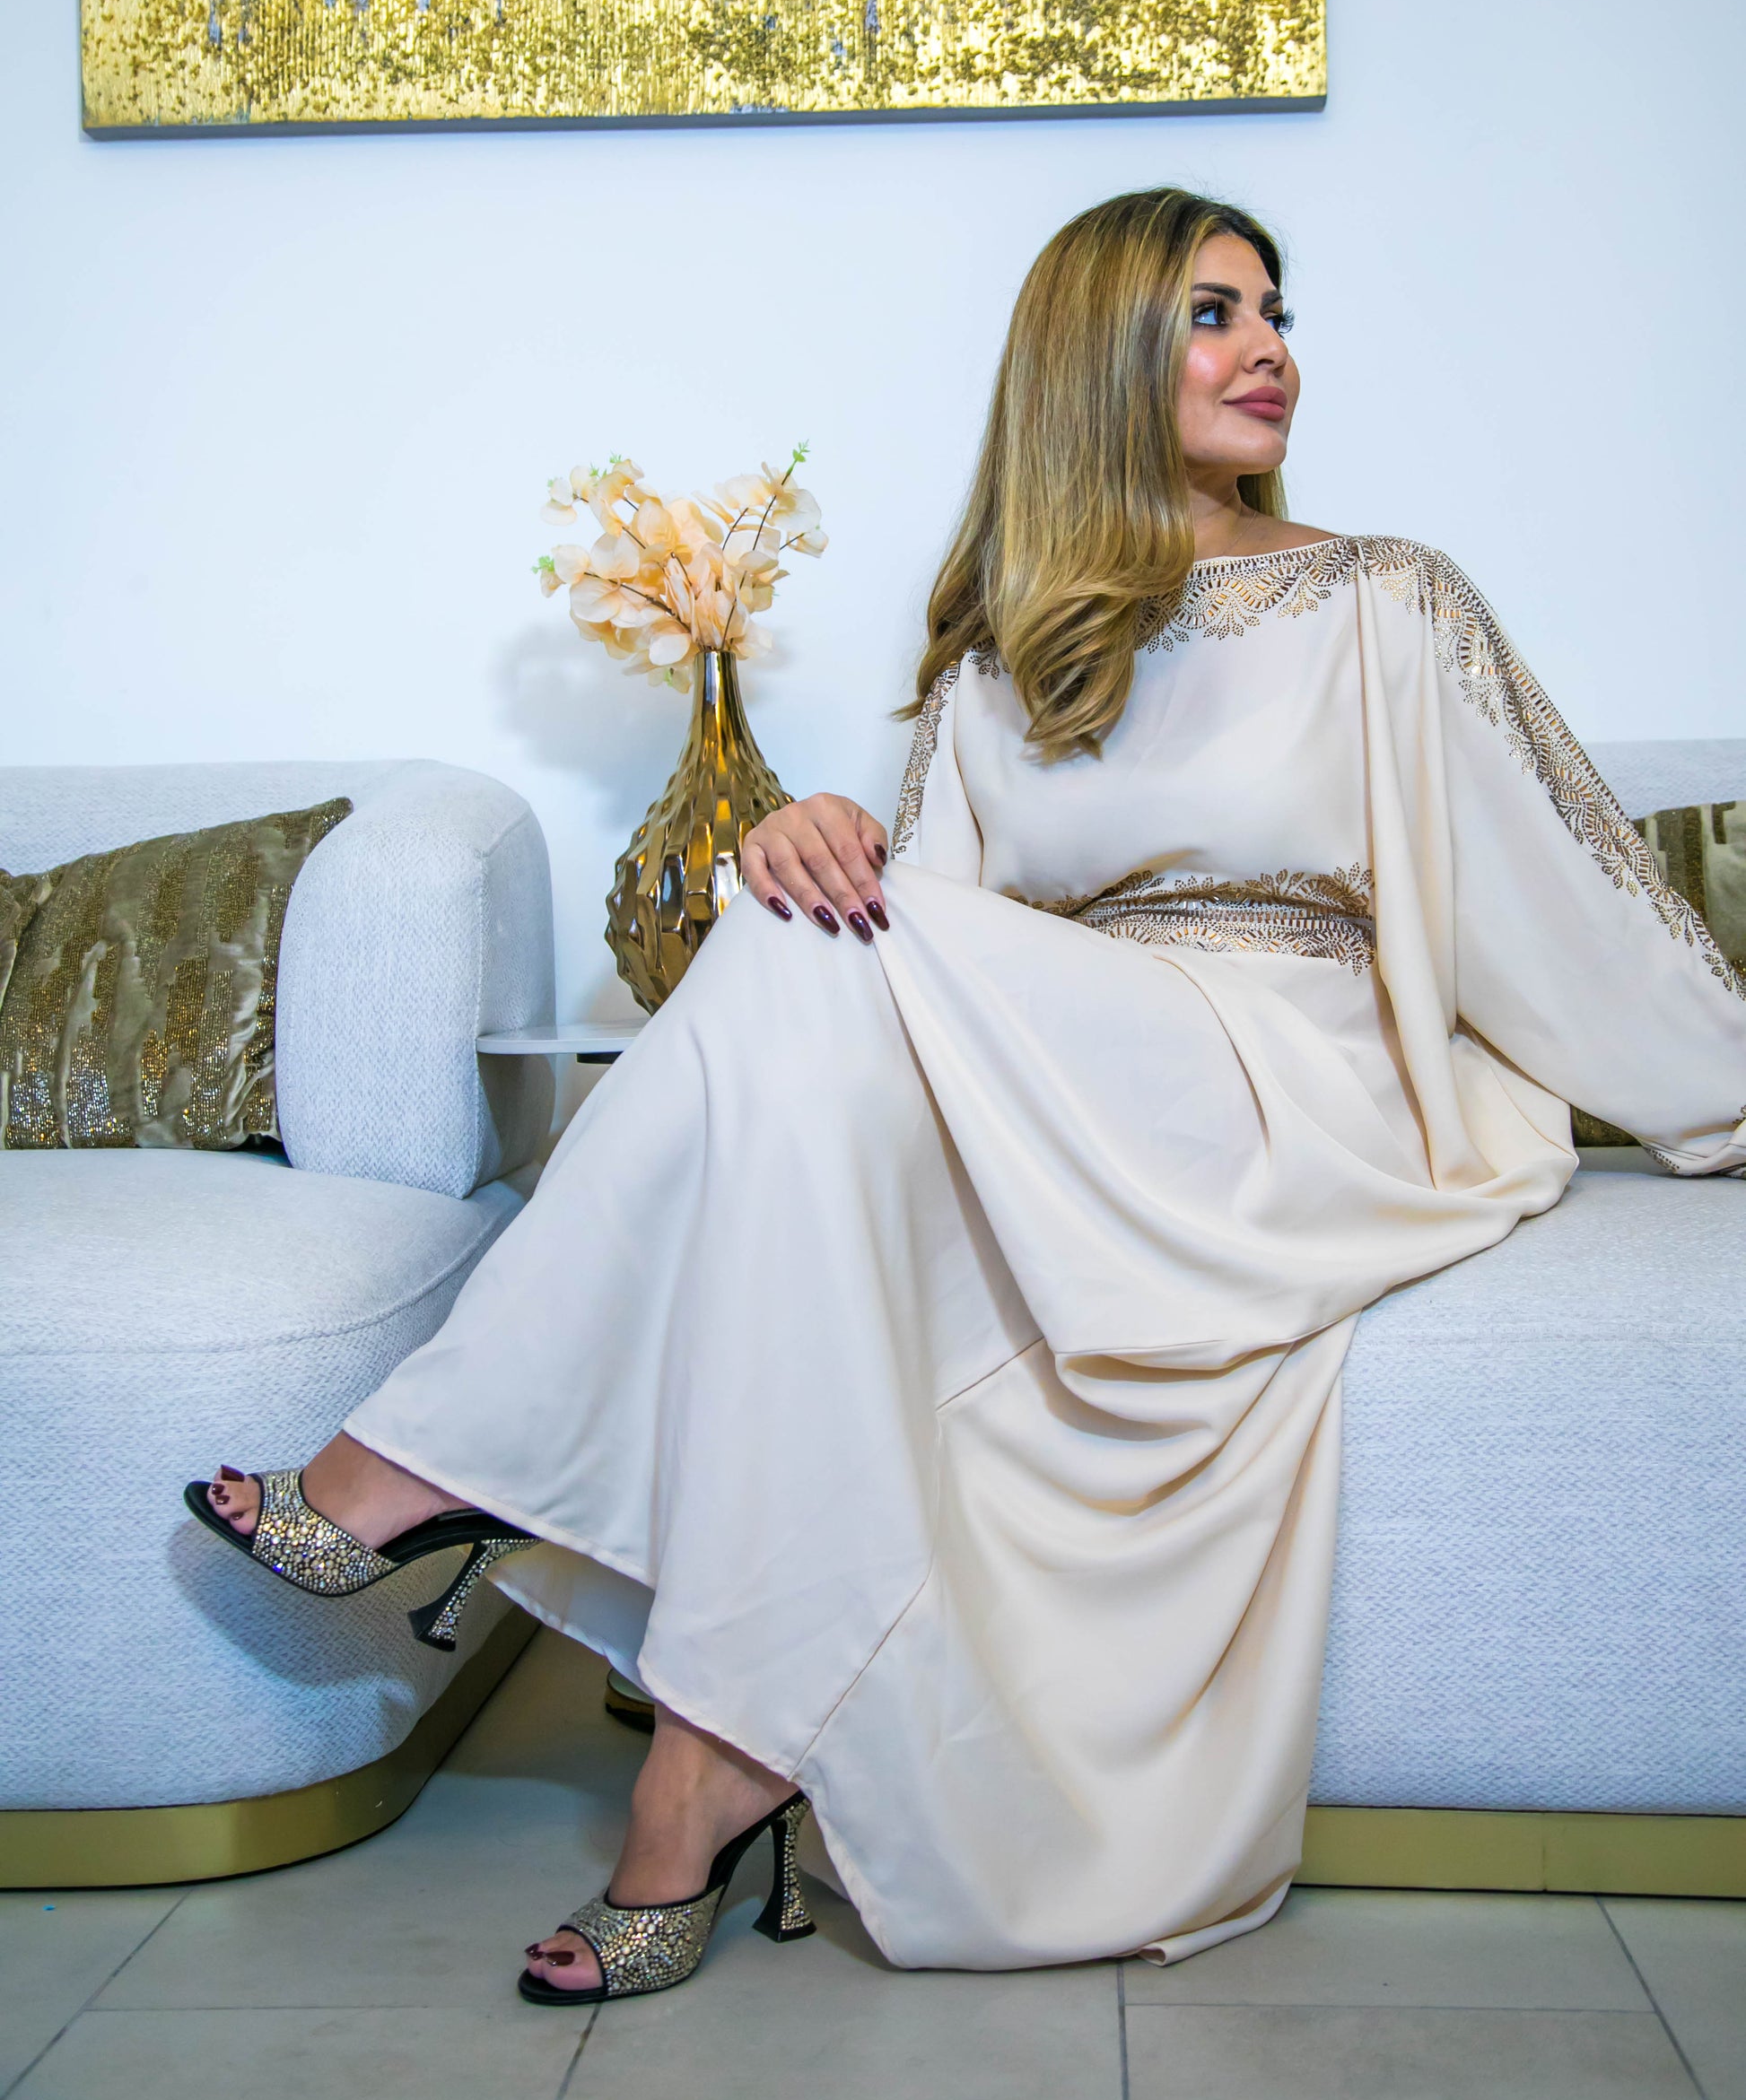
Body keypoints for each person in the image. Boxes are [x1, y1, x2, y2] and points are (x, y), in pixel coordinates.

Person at [188, 187, 1746, 1998]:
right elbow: (906, 951)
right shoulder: (1011, 650)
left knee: (808, 959)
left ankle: (427, 1472)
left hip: (1300, 1080)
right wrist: (811, 834)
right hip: (1090, 1091)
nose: (1268, 351)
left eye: (1272, 312)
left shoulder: (1384, 596)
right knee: (794, 960)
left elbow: (1565, 890)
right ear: (1097, 357)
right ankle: (706, 1774)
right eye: (1212, 315)